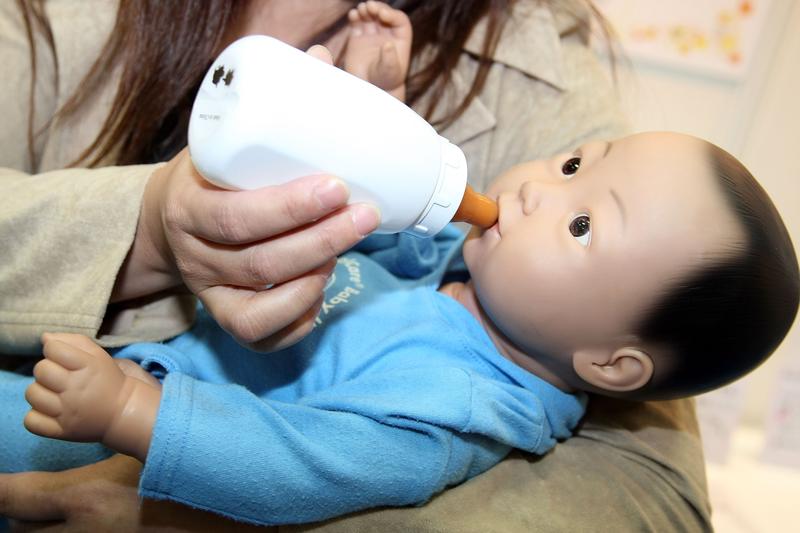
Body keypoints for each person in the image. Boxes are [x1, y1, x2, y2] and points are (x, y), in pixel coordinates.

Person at [0, 0, 731, 531]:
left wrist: (130, 414)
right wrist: (377, 139)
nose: (540, 184)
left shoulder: (456, 407)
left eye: (580, 223)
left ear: (610, 363)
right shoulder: (473, 275)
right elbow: (387, 247)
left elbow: (293, 466)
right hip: (146, 376)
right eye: (573, 162)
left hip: (139, 428)